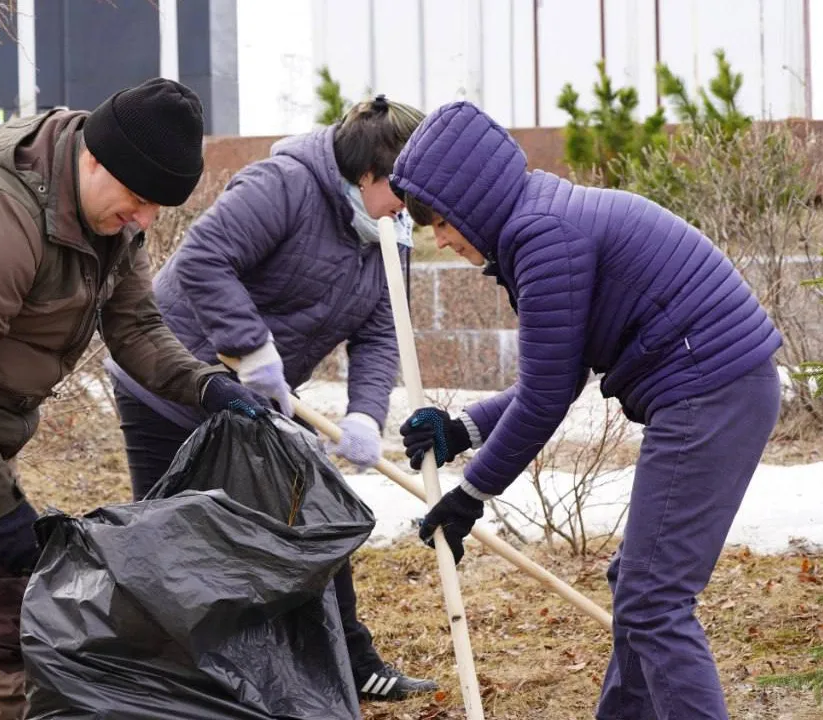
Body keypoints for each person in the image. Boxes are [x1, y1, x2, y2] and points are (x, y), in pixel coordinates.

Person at [0, 78, 268, 720]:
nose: (144, 220)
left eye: (156, 209)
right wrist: (4, 507)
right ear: (94, 158)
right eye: (139, 200)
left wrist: (208, 386)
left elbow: (137, 328)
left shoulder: (110, 218)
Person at [391, 101, 782, 720]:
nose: (440, 239)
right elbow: (557, 376)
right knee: (639, 587)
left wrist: (471, 493)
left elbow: (546, 397)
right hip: (717, 387)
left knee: (653, 603)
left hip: (709, 391)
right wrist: (460, 428)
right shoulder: (538, 220)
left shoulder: (541, 235)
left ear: (470, 202)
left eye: (440, 221)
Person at [103, 95, 439, 703]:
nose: (409, 208)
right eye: (402, 192)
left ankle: (353, 660)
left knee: (316, 514)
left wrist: (365, 412)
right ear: (367, 175)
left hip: (261, 400)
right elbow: (206, 260)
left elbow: (384, 329)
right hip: (172, 383)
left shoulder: (391, 228)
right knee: (172, 539)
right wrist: (252, 349)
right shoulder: (283, 185)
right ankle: (154, 681)